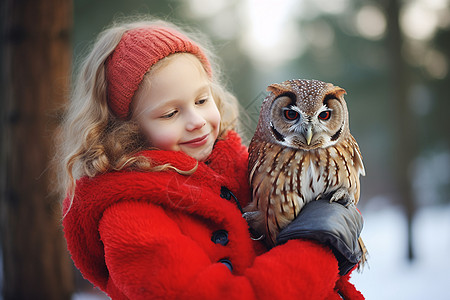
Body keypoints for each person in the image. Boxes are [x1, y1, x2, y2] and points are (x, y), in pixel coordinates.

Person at [58, 17, 365, 299]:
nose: (196, 120)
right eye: (170, 113)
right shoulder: (130, 216)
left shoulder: (236, 168)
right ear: (127, 131)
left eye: (202, 100)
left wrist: (339, 238)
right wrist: (317, 248)